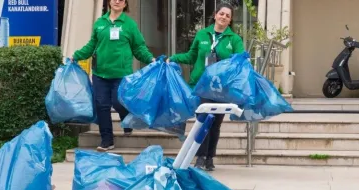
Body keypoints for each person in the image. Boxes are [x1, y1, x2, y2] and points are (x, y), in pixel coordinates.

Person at [169, 3, 245, 171]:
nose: (224, 17)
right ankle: (201, 157)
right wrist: (173, 58)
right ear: (215, 15)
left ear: (230, 20)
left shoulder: (234, 39)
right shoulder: (202, 34)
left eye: (227, 15)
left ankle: (210, 157)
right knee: (203, 121)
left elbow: (239, 61)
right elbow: (191, 56)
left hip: (221, 88)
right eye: (221, 14)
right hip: (201, 85)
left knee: (215, 124)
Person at [73, 0, 155, 152]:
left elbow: (139, 47)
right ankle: (107, 140)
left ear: (125, 4)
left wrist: (150, 59)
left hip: (121, 74)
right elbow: (91, 45)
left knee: (118, 102)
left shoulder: (129, 25)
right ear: (109, 2)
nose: (117, 1)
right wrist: (76, 56)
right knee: (101, 106)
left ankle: (127, 121)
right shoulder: (100, 23)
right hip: (100, 74)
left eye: (121, 0)